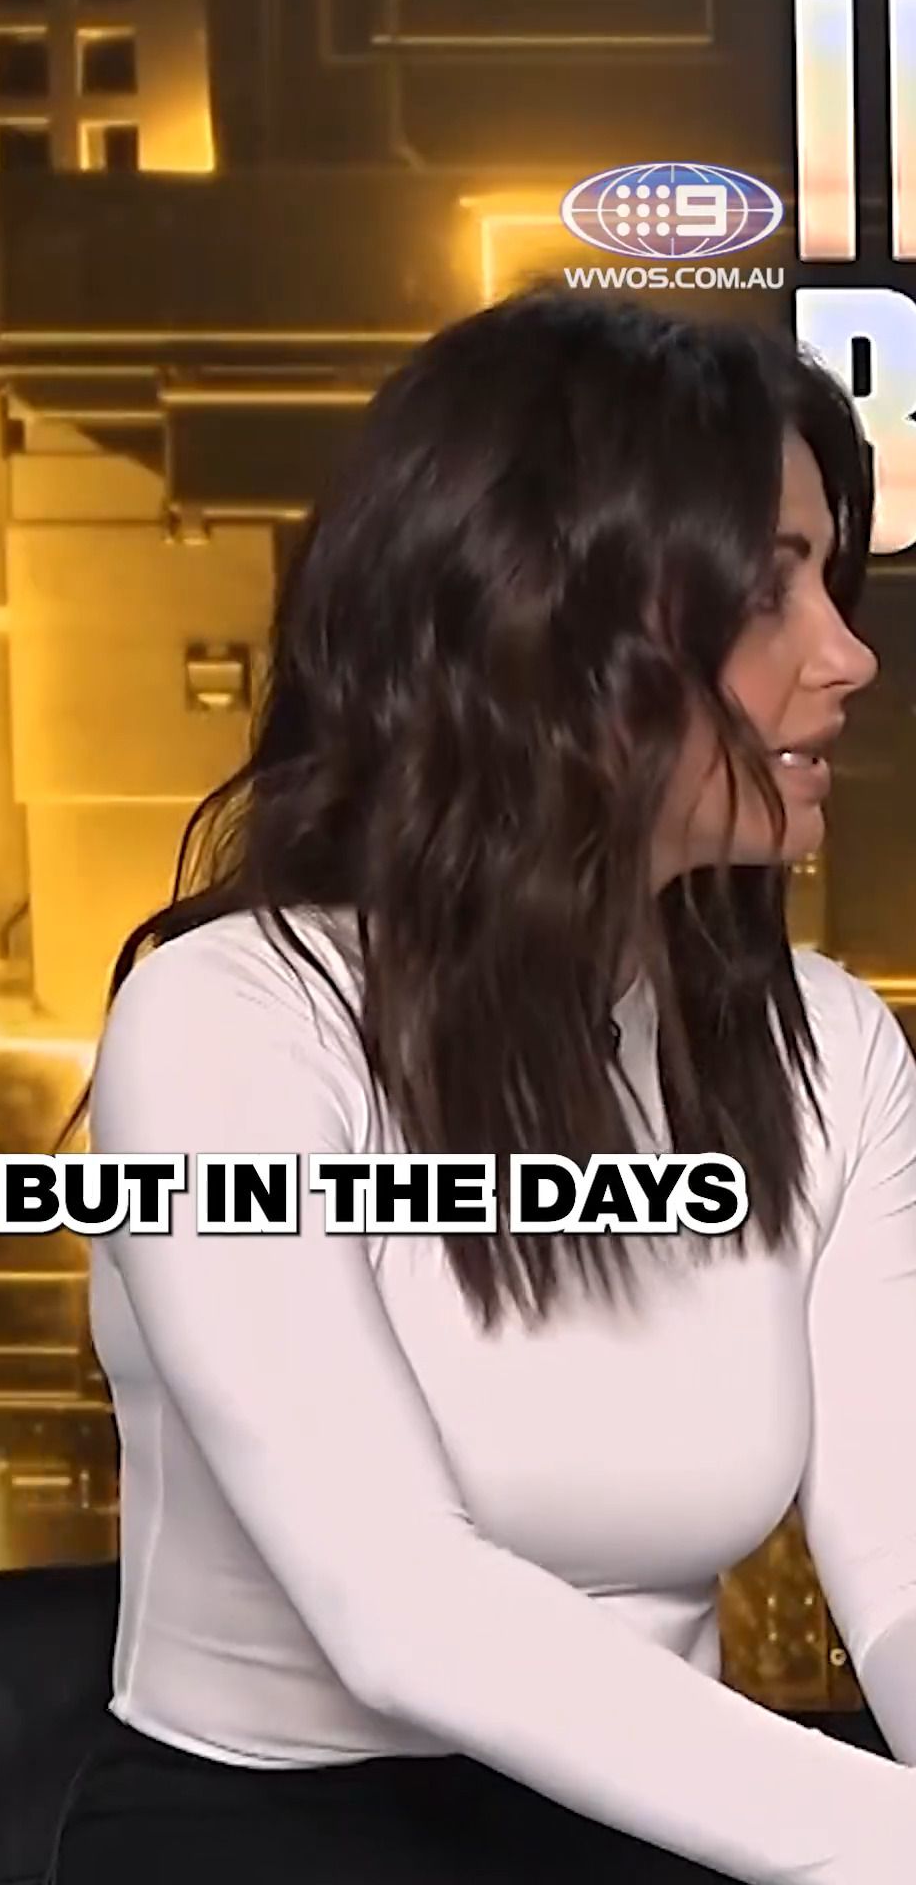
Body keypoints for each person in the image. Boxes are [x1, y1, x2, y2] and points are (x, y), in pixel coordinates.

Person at [47, 286, 916, 1884]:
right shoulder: (228, 1025)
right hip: (276, 1847)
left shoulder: (833, 1047)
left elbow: (904, 1557)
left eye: (831, 584)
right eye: (766, 594)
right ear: (550, 636)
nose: (846, 655)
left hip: (682, 1830)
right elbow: (403, 1610)